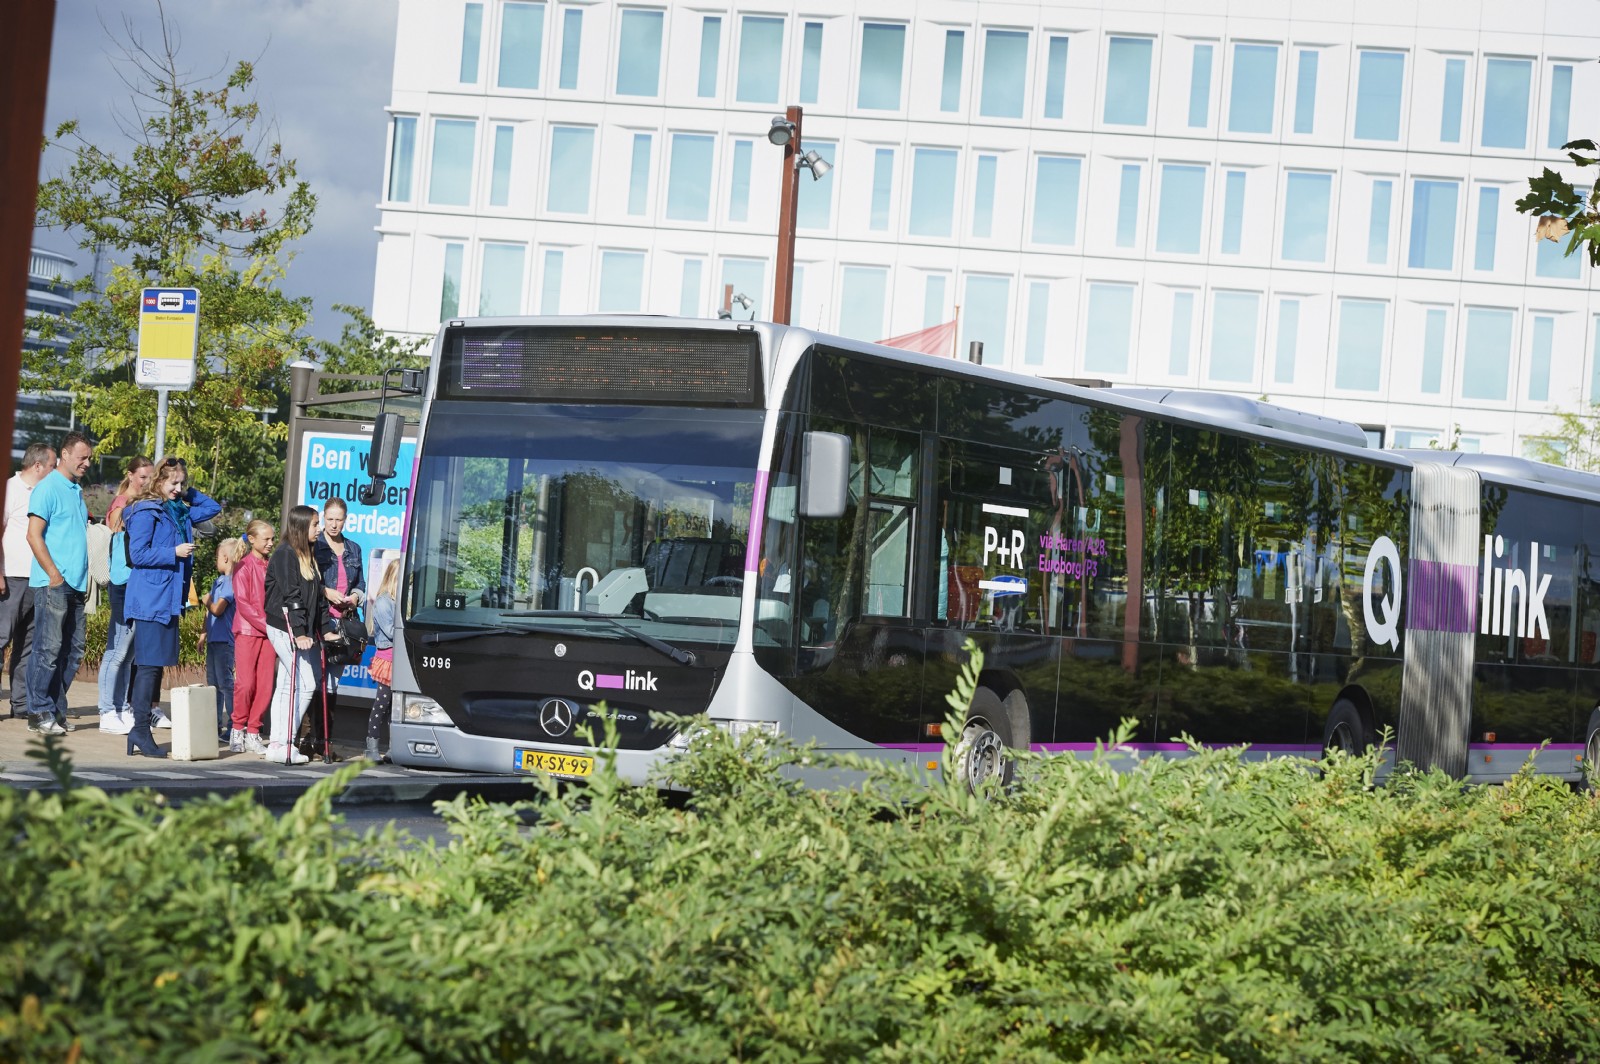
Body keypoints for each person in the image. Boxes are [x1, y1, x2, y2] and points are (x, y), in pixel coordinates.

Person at [123, 457, 220, 757]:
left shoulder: (178, 511)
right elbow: (138, 554)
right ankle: (139, 729)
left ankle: (140, 730)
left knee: (154, 667)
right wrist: (173, 552)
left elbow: (212, 507)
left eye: (181, 483)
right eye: (172, 483)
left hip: (166, 598)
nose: (178, 489)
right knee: (148, 668)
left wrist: (188, 492)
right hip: (151, 598)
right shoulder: (146, 510)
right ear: (157, 482)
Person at [24, 432, 95, 735]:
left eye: (89, 458)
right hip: (54, 582)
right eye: (82, 457)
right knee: (48, 649)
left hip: (76, 584)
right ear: (65, 455)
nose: (87, 463)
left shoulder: (75, 490)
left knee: (73, 651)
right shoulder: (48, 488)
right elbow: (33, 535)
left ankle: (55, 708)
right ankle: (38, 712)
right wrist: (53, 573)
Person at [265, 505, 338, 764]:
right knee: (306, 683)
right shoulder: (285, 554)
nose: (319, 529)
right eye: (315, 524)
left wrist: (326, 630)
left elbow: (318, 597)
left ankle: (277, 744)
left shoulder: (308, 554)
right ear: (301, 526)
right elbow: (291, 596)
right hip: (283, 626)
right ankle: (285, 742)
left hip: (299, 629)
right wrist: (298, 632)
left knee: (287, 685)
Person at [95, 456, 153, 736]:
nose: (146, 482)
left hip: (136, 584)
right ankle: (106, 710)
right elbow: (119, 536)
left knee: (128, 655)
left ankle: (119, 707)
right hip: (123, 584)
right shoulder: (121, 505)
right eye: (142, 477)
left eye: (149, 478)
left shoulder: (141, 504)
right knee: (116, 651)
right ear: (130, 475)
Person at [0, 443, 54, 719]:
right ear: (37, 466)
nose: (55, 471)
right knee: (1, 640)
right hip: (11, 577)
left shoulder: (46, 494)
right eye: (52, 466)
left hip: (38, 579)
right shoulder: (10, 489)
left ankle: (19, 704)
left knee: (27, 646)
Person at [309, 497, 364, 757]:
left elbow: (360, 584)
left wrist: (354, 596)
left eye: (338, 519)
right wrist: (325, 591)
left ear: (345, 519)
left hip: (344, 624)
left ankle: (325, 742)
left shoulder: (354, 548)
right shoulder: (315, 546)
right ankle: (311, 739)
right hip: (321, 620)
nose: (333, 524)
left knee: (333, 682)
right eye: (329, 519)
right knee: (316, 679)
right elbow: (307, 581)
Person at [228, 520, 275, 753]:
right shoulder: (243, 566)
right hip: (248, 631)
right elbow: (244, 604)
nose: (270, 542)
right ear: (252, 539)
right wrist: (268, 625)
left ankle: (254, 731)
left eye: (272, 538)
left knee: (265, 685)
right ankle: (237, 728)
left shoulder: (270, 565)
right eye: (266, 539)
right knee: (245, 684)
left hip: (269, 633)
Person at [203, 537, 247, 743]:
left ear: (226, 558)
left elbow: (217, 610)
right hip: (213, 640)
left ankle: (233, 725)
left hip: (225, 641)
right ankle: (213, 725)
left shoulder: (231, 582)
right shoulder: (218, 581)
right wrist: (204, 633)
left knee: (226, 684)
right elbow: (209, 615)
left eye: (218, 557)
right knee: (213, 684)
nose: (216, 561)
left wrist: (207, 601)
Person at [364, 556, 400, 762]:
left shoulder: (395, 601)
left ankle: (393, 748)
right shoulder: (384, 601)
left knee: (396, 706)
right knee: (382, 704)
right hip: (387, 660)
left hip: (397, 659)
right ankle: (372, 747)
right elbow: (389, 631)